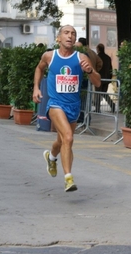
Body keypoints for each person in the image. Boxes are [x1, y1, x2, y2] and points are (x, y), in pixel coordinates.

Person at [32, 25, 101, 192]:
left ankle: (51, 157)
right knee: (69, 138)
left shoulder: (81, 57)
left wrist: (90, 70)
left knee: (61, 141)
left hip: (73, 105)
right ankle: (68, 178)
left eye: (73, 34)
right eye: (66, 33)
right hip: (55, 104)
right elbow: (39, 68)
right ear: (59, 38)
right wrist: (36, 87)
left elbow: (97, 82)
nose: (70, 36)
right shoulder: (49, 56)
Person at [95, 43, 115, 112]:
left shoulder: (97, 57)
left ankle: (97, 108)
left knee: (98, 93)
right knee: (104, 93)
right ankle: (112, 105)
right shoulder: (108, 58)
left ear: (98, 49)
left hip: (99, 78)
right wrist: (110, 78)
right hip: (106, 78)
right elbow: (110, 68)